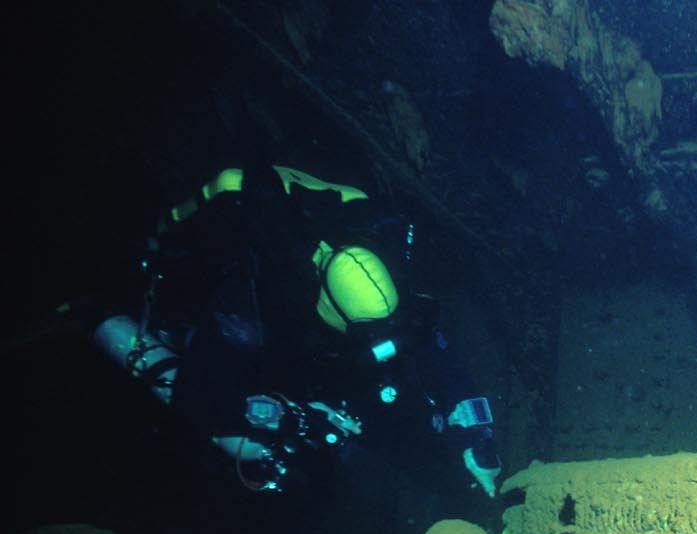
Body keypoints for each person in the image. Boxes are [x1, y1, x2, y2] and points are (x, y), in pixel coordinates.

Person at [93, 163, 504, 497]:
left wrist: (475, 433)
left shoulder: (386, 244)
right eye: (370, 340)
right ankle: (97, 314)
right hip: (231, 332)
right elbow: (197, 401)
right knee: (249, 444)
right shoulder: (247, 309)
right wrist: (298, 419)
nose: (384, 349)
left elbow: (432, 342)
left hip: (314, 326)